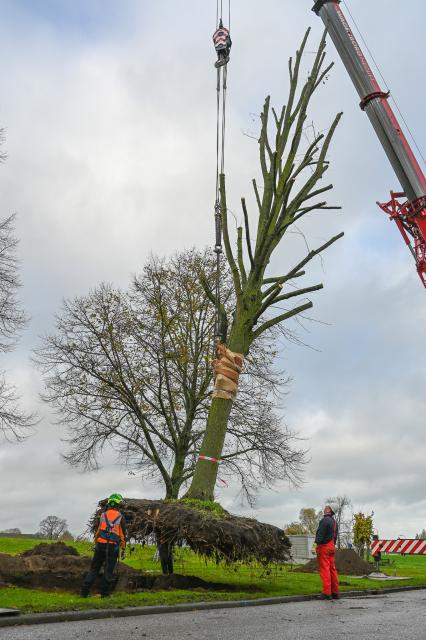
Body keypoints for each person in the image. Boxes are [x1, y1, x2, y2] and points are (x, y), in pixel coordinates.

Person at [80, 493, 127, 598]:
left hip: (100, 544)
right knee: (108, 570)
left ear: (109, 504)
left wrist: (96, 543)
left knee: (94, 569)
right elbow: (123, 536)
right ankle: (104, 594)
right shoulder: (121, 517)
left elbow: (98, 532)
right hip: (113, 546)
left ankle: (84, 592)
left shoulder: (103, 515)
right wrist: (123, 548)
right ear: (119, 504)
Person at [315, 505, 339, 600]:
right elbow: (335, 536)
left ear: (329, 510)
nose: (324, 509)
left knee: (325, 569)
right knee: (332, 569)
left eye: (326, 507)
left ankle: (326, 593)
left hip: (324, 547)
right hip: (332, 546)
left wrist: (316, 544)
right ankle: (335, 592)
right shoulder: (334, 522)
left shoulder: (324, 520)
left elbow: (320, 534)